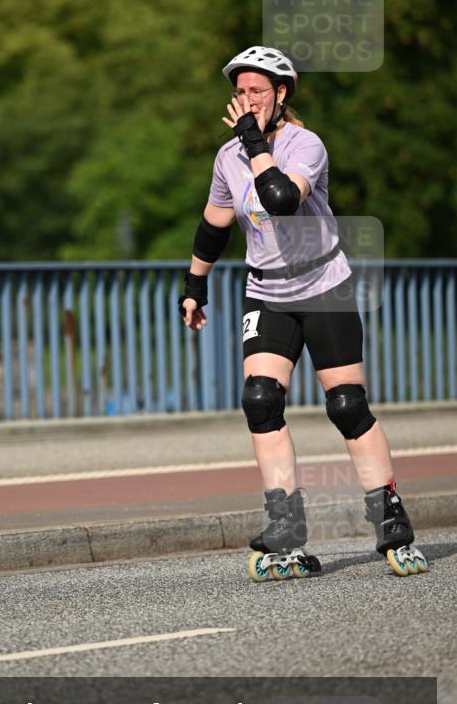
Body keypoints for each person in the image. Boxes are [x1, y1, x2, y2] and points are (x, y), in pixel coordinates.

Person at [178, 46, 428, 580]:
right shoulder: (227, 157)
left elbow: (281, 199)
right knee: (260, 400)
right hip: (266, 291)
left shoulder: (303, 144)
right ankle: (286, 528)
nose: (247, 100)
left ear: (281, 93)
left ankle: (391, 520)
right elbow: (214, 225)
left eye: (258, 91)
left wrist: (253, 141)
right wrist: (194, 285)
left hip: (323, 286)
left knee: (347, 406)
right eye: (240, 92)